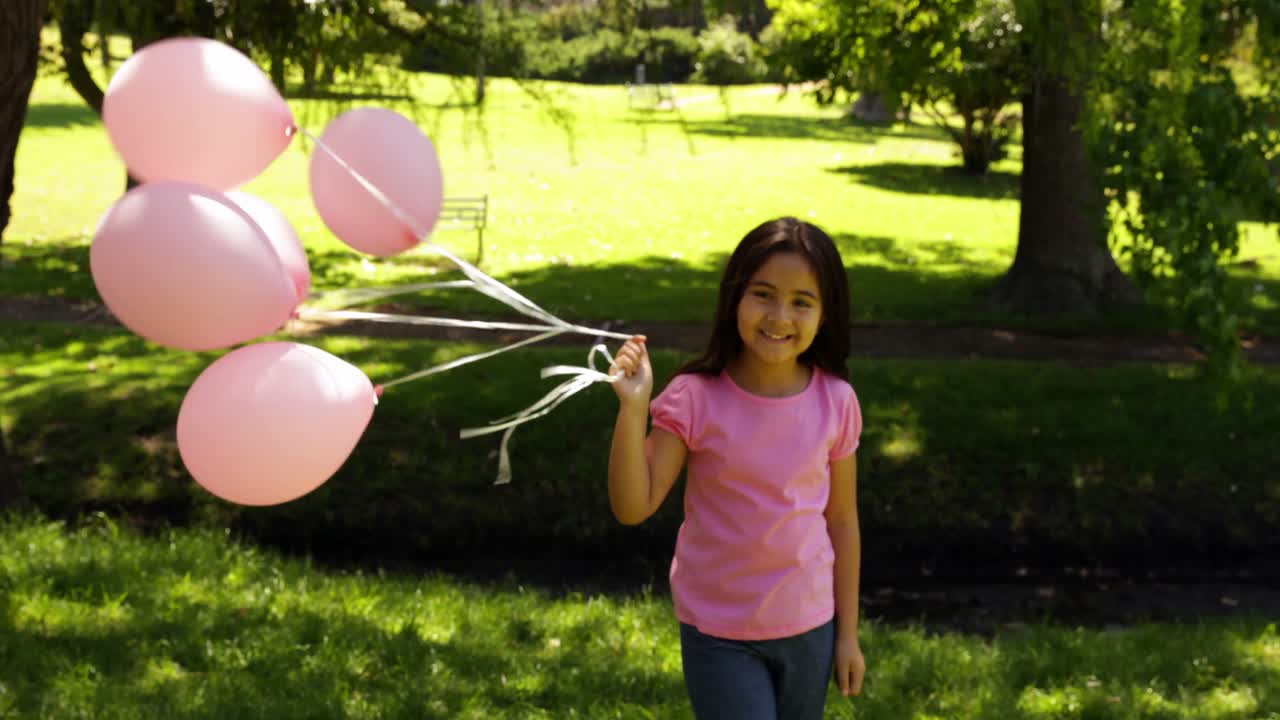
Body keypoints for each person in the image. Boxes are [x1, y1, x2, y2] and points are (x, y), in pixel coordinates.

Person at [607, 217, 866, 719]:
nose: (779, 315)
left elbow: (842, 522)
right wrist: (632, 409)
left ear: (825, 314)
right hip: (720, 632)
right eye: (763, 294)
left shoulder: (837, 402)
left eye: (801, 302)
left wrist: (848, 635)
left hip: (810, 627)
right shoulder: (693, 398)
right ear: (735, 299)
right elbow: (631, 507)